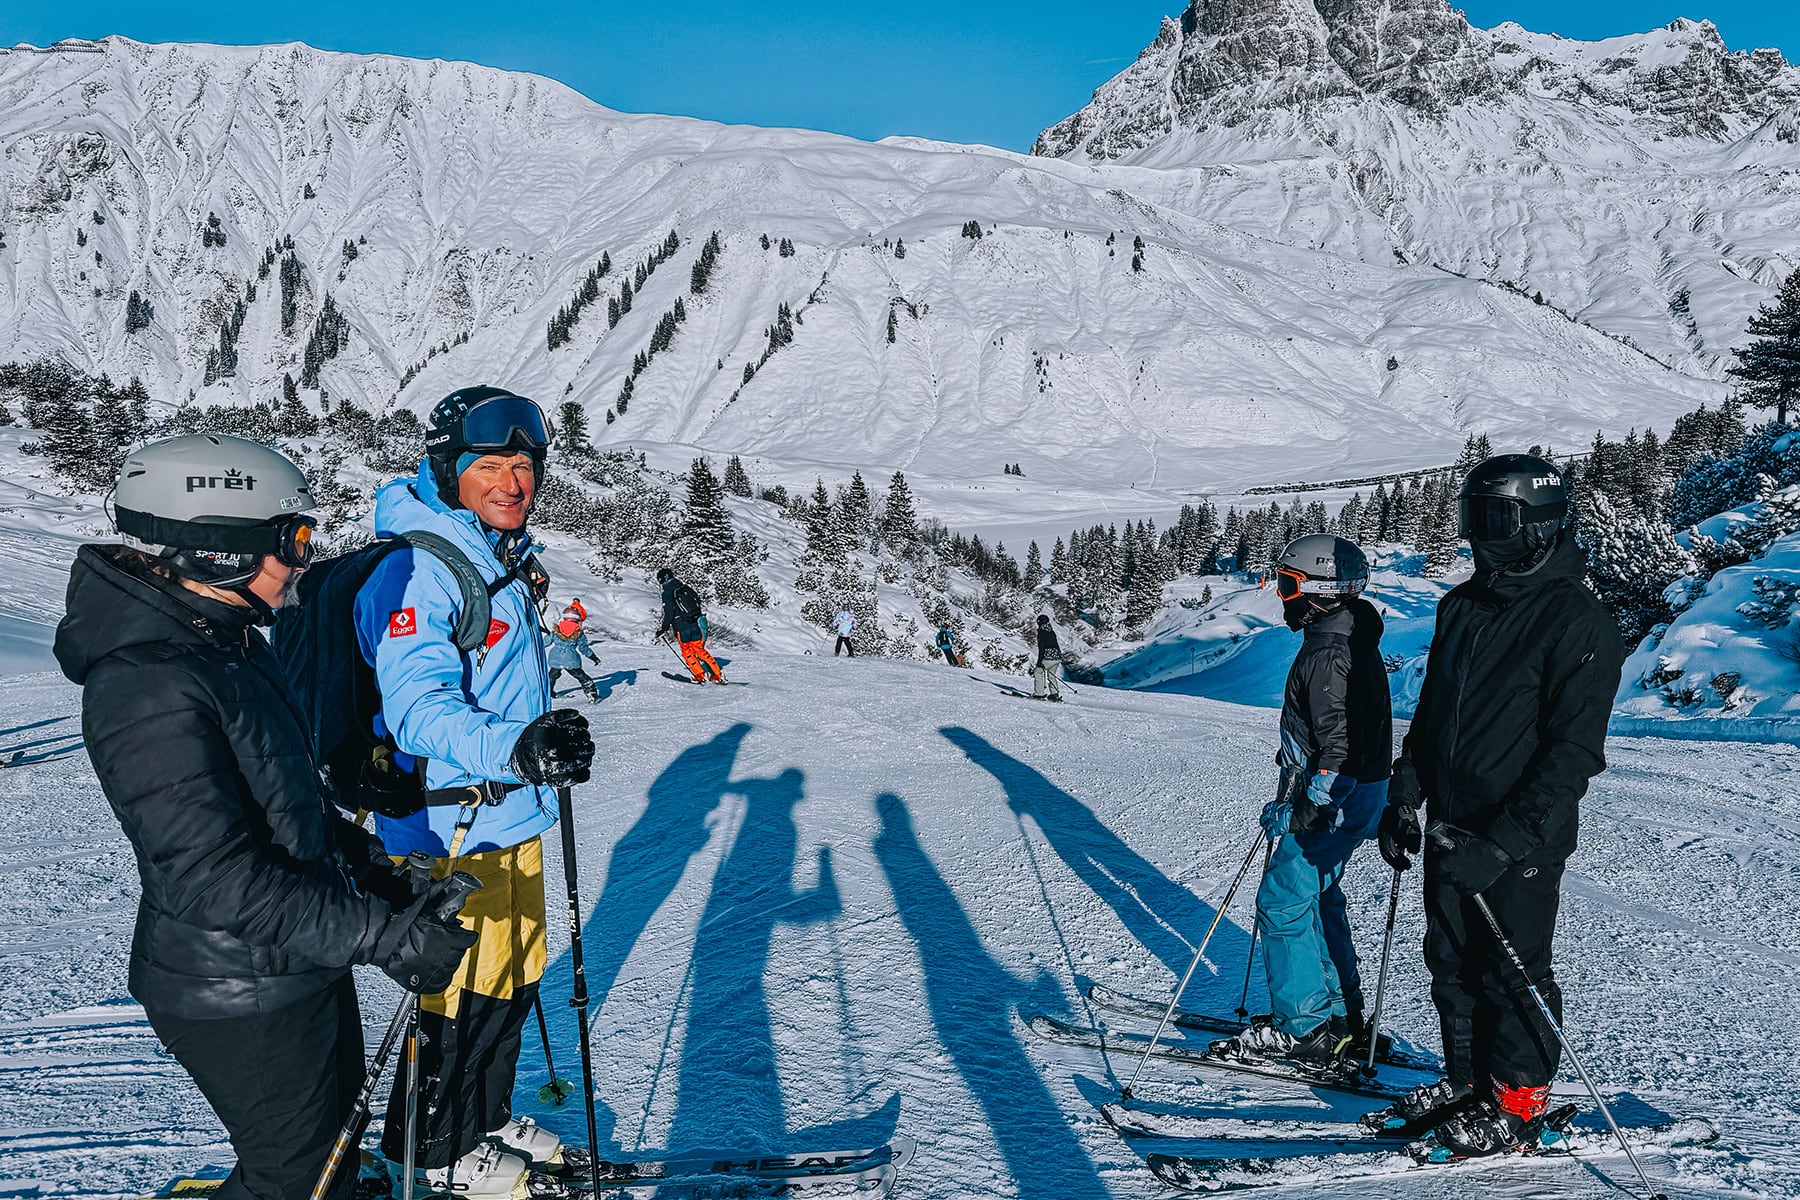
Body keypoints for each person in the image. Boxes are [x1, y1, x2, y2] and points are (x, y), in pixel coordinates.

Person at [55, 435, 475, 1200]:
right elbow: (210, 878)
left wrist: (384, 879)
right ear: (219, 552)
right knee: (298, 1182)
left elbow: (294, 806)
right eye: (294, 540)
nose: (306, 560)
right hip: (235, 990)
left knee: (330, 1167)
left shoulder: (228, 645)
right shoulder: (146, 684)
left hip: (293, 962)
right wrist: (382, 936)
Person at [354, 387, 596, 1196]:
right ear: (446, 468)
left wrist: (537, 735)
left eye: (524, 464)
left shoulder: (499, 554)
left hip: (510, 815)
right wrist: (519, 746)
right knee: (454, 1001)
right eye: (489, 463)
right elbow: (420, 712)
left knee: (512, 983)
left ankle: (482, 1121)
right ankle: (427, 1151)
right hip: (450, 830)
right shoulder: (424, 567)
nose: (512, 479)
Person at [1373, 454, 1624, 1153]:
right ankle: (1466, 1082)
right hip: (1452, 822)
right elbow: (1434, 711)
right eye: (1471, 517)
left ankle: (1515, 1101)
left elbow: (1573, 754)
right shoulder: (1463, 605)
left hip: (1521, 836)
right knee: (1450, 962)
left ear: (1537, 523)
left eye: (1495, 520)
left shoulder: (1577, 621)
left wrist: (1505, 841)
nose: (1479, 535)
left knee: (1511, 968)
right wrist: (1405, 791)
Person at [1209, 535, 1390, 1069]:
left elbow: (1338, 742)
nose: (1281, 595)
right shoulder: (1349, 634)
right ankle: (1341, 1019)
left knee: (1282, 903)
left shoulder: (1328, 652)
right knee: (1316, 897)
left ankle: (1306, 1028)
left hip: (1338, 793)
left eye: (1287, 584)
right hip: (1355, 790)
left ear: (1320, 590)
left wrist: (1310, 800)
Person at [657, 567, 724, 683]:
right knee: (699, 649)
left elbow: (669, 613)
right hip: (694, 622)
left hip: (681, 627)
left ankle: (699, 675)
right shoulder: (684, 587)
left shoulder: (667, 593)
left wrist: (664, 628)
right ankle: (717, 674)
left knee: (686, 651)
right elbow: (697, 600)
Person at [546, 599, 602, 701]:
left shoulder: (556, 630)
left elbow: (546, 642)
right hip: (570, 658)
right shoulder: (578, 632)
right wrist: (594, 658)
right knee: (581, 677)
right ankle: (592, 695)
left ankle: (548, 693)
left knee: (552, 675)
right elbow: (583, 648)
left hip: (555, 657)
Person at [1031, 614, 1063, 700]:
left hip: (1048, 657)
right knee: (1051, 675)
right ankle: (1054, 694)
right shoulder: (1051, 631)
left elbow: (1042, 648)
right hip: (1057, 657)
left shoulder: (1042, 633)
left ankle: (1039, 694)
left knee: (1038, 672)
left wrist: (1039, 662)